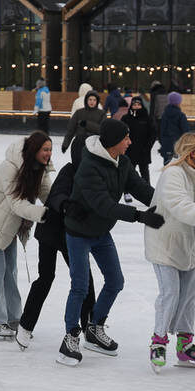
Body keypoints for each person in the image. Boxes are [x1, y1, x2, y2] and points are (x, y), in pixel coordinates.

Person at [58, 119, 162, 366]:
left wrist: (167, 202)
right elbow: (103, 205)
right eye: (126, 138)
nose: (130, 142)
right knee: (80, 287)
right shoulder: (89, 167)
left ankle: (95, 328)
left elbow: (141, 188)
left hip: (101, 231)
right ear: (114, 141)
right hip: (78, 233)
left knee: (115, 281)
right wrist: (139, 216)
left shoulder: (122, 162)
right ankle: (70, 336)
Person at [145, 131, 195, 372]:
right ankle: (158, 341)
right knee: (170, 293)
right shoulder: (173, 174)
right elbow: (180, 205)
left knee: (189, 296)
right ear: (191, 152)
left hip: (189, 245)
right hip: (165, 244)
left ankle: (185, 345)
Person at [0, 131, 54, 340]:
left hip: (8, 223)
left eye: (50, 150)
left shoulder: (40, 169)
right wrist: (44, 214)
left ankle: (15, 319)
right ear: (34, 150)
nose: (48, 154)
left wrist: (62, 206)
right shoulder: (11, 167)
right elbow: (17, 204)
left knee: (10, 271)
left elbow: (47, 194)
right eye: (45, 149)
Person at [17, 134, 96, 349]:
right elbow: (57, 195)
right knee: (46, 278)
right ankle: (25, 326)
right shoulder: (69, 171)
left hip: (74, 235)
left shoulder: (95, 174)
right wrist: (66, 205)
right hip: (52, 232)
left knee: (85, 281)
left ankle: (90, 327)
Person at [122, 95, 156, 184]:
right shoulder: (126, 118)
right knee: (128, 173)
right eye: (134, 105)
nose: (136, 106)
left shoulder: (147, 118)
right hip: (129, 150)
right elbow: (121, 133)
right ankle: (127, 190)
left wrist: (147, 147)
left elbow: (152, 134)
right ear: (131, 106)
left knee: (144, 173)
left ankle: (147, 190)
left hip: (143, 151)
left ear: (142, 105)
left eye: (138, 104)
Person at [159, 91, 189, 165]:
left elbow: (161, 130)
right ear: (179, 102)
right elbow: (185, 131)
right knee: (177, 165)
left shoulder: (164, 115)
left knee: (167, 164)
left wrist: (162, 142)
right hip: (178, 144)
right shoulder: (181, 115)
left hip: (166, 143)